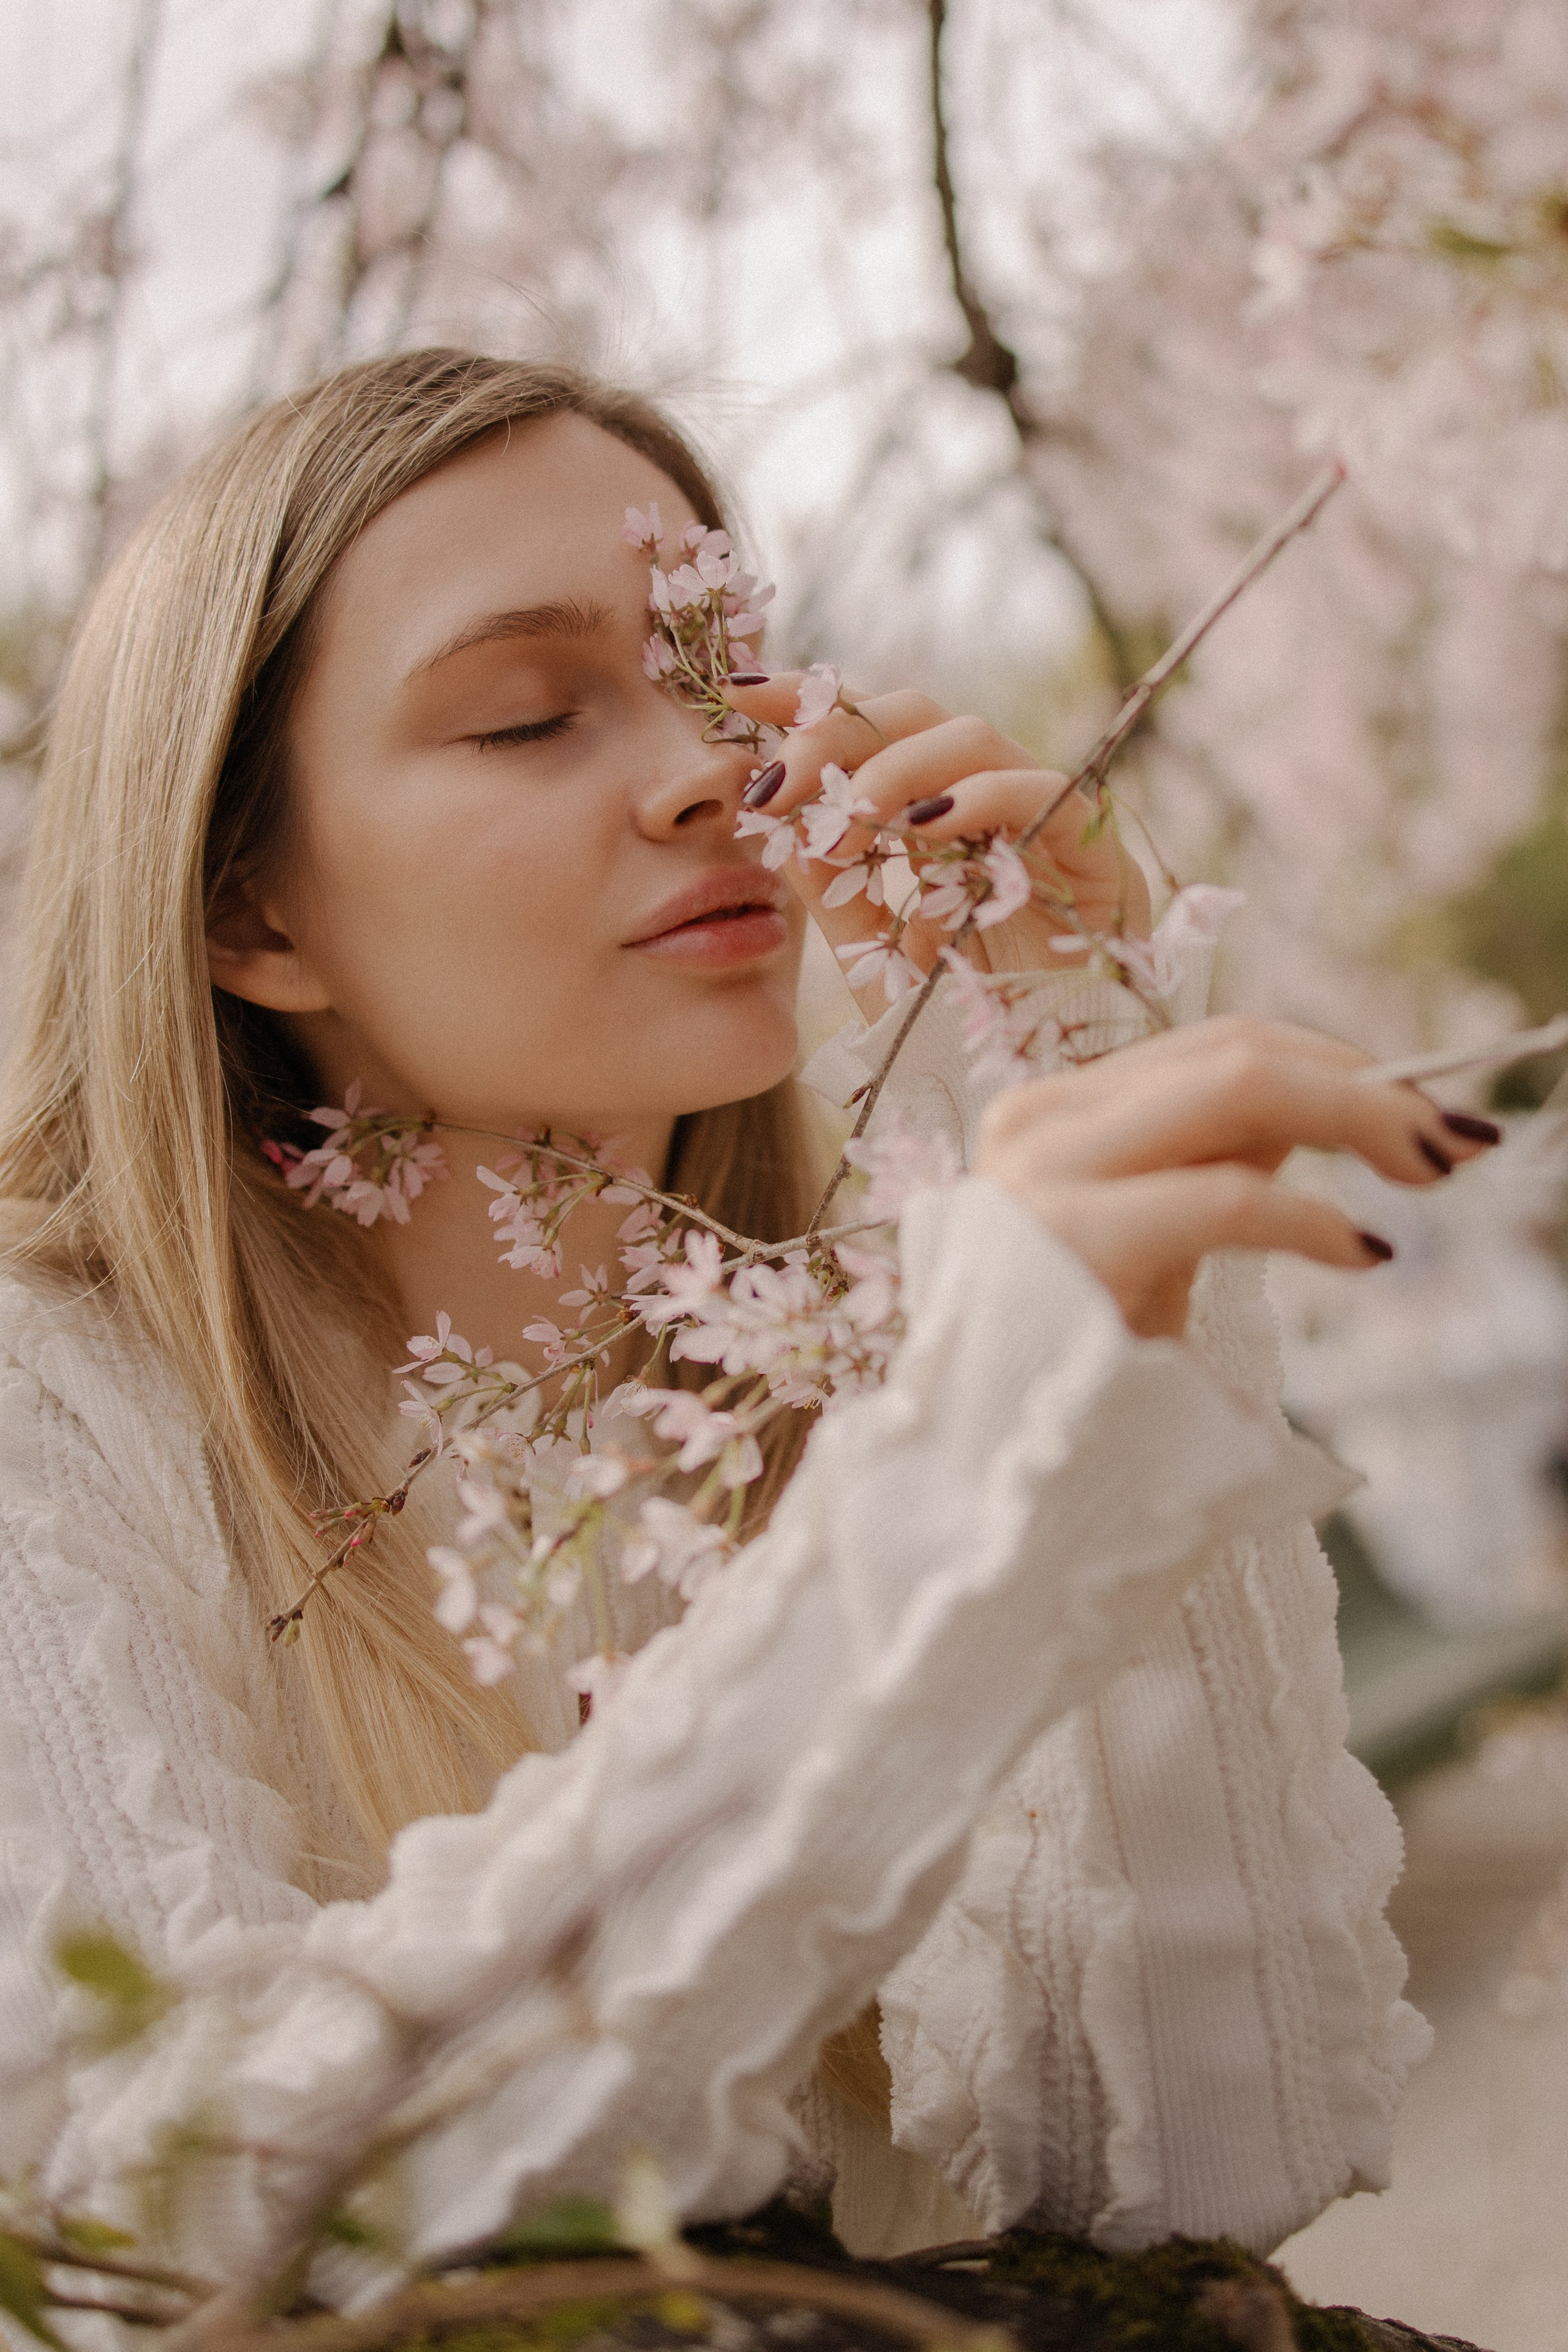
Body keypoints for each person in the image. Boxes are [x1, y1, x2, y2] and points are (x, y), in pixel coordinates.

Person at [0, 349, 1481, 2296]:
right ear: (248, 912)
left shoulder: (857, 1327)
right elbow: (197, 2204)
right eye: (529, 717)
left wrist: (1067, 1142)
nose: (724, 768)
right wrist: (948, 1510)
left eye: (724, 675)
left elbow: (1209, 2160)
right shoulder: (55, 1402)